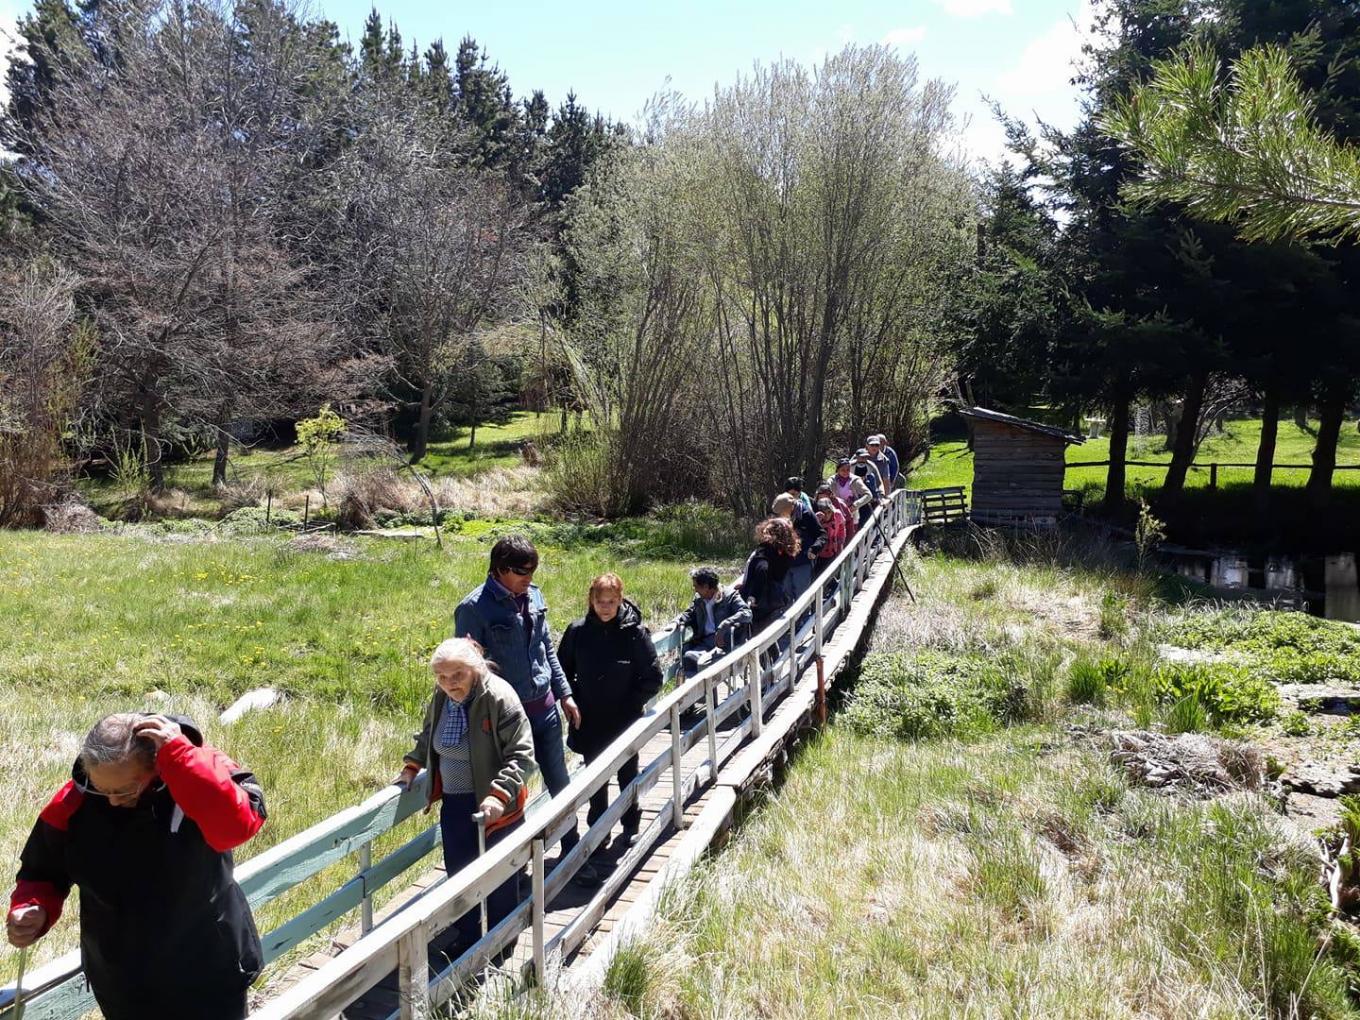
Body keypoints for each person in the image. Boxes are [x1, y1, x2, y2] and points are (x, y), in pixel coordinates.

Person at [7, 713, 266, 1020]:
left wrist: (180, 755)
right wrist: (33, 907)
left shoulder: (201, 768)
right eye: (103, 791)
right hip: (122, 979)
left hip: (208, 970)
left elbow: (235, 828)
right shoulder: (77, 799)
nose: (113, 801)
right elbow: (43, 870)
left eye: (125, 790)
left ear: (157, 765)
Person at [396, 638, 534, 947]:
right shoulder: (442, 696)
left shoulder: (499, 697)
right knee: (459, 871)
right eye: (441, 677)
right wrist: (412, 765)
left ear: (474, 669)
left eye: (456, 675)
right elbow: (430, 733)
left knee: (500, 875)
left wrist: (499, 795)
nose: (449, 684)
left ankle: (503, 939)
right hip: (456, 803)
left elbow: (522, 755)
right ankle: (468, 935)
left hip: (497, 804)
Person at [454, 534, 581, 852]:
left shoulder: (534, 595)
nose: (529, 579)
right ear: (500, 569)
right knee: (510, 794)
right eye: (523, 573)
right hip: (506, 722)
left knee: (559, 782)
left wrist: (564, 693)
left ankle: (573, 848)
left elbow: (545, 648)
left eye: (532, 572)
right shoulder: (473, 609)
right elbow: (467, 670)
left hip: (545, 710)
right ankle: (514, 872)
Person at [557, 574, 663, 883]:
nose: (606, 608)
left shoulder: (634, 633)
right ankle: (599, 829)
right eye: (600, 602)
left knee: (627, 773)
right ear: (591, 600)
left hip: (624, 720)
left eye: (612, 602)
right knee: (595, 778)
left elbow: (652, 677)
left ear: (621, 600)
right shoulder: (577, 632)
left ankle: (630, 823)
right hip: (590, 719)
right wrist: (572, 701)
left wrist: (631, 704)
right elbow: (563, 673)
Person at [674, 566, 752, 677]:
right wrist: (676, 622)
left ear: (706, 587)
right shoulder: (699, 599)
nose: (695, 589)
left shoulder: (729, 596)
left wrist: (725, 624)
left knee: (701, 663)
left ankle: (704, 691)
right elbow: (689, 613)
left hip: (725, 643)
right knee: (689, 657)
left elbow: (747, 613)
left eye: (696, 586)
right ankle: (701, 693)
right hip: (705, 642)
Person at [741, 516, 800, 630]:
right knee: (768, 635)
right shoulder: (786, 552)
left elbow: (762, 569)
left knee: (755, 635)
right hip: (775, 600)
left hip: (760, 603)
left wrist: (753, 596)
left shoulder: (765, 550)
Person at [771, 493, 826, 600]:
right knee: (787, 596)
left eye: (781, 512)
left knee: (802, 596)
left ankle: (806, 616)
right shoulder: (780, 520)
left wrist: (814, 549)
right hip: (785, 563)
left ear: (790, 507)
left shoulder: (806, 514)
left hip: (803, 561)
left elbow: (822, 534)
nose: (779, 515)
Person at [829, 459, 873, 526]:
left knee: (852, 534)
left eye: (848, 470)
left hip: (852, 512)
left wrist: (856, 505)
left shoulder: (855, 480)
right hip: (836, 512)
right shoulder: (832, 480)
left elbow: (869, 495)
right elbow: (824, 489)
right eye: (843, 470)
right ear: (837, 470)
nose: (846, 472)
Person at [813, 498, 846, 575]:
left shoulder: (837, 514)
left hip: (833, 548)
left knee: (833, 570)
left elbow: (842, 527)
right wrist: (817, 520)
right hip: (819, 552)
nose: (827, 515)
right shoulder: (816, 518)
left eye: (829, 512)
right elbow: (812, 531)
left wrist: (840, 540)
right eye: (824, 512)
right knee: (819, 573)